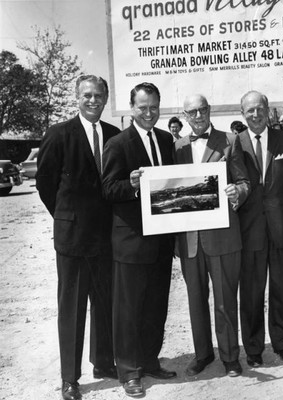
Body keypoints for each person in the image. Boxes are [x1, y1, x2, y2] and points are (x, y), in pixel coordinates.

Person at [36, 75, 120, 400]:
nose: (93, 100)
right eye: (87, 95)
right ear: (77, 97)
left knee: (105, 302)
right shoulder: (59, 134)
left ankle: (103, 362)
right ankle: (70, 378)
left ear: (106, 97)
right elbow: (45, 184)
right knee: (71, 308)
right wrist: (66, 217)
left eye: (99, 95)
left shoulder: (114, 135)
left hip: (105, 238)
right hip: (71, 239)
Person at [102, 82, 176, 398]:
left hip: (161, 240)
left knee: (156, 305)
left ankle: (149, 360)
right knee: (129, 310)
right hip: (131, 241)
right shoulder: (118, 143)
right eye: (142, 107)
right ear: (132, 108)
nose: (148, 113)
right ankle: (130, 371)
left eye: (154, 107)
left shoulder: (165, 139)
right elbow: (107, 189)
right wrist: (132, 185)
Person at [174, 94, 250, 377]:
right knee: (196, 300)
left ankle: (230, 357)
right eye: (191, 112)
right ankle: (203, 354)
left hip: (222, 235)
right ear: (184, 116)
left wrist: (237, 193)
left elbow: (244, 182)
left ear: (210, 111)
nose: (197, 115)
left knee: (225, 299)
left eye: (202, 110)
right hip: (190, 239)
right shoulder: (177, 146)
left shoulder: (230, 141)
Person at [236, 91, 283, 367]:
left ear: (268, 110)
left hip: (279, 228)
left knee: (282, 288)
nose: (255, 115)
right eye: (250, 110)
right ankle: (253, 349)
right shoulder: (235, 143)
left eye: (259, 109)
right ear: (243, 113)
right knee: (251, 292)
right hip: (248, 230)